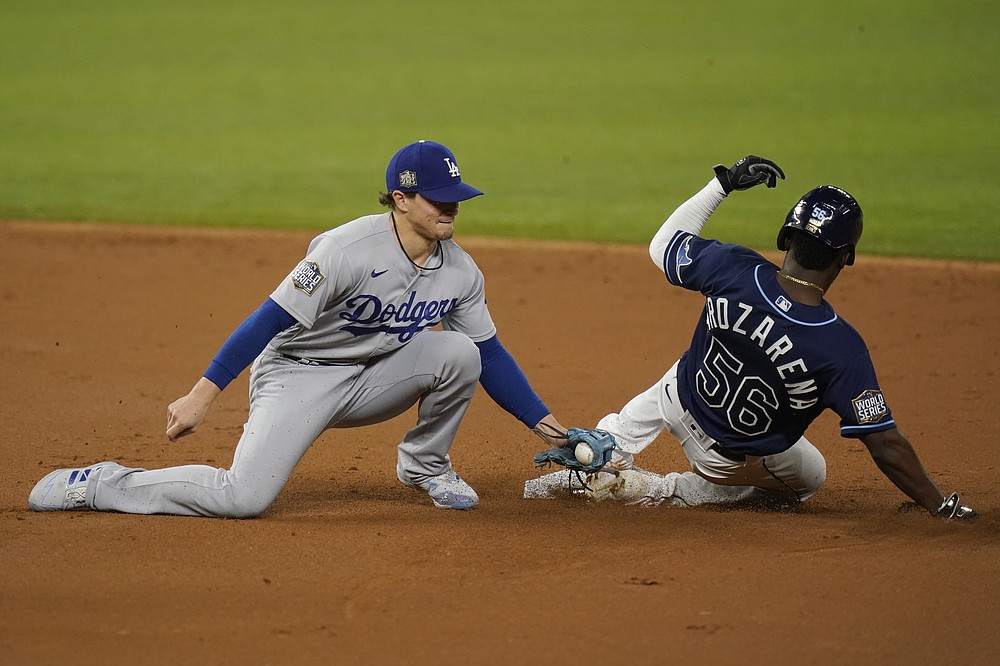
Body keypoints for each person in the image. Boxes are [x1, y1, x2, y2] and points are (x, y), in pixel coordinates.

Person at [30, 139, 569, 516]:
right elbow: (268, 319)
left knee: (459, 352)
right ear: (400, 201)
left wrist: (553, 431)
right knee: (242, 498)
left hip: (373, 378)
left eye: (455, 196)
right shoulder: (344, 251)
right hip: (297, 375)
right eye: (436, 198)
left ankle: (425, 466)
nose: (451, 207)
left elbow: (490, 355)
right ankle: (102, 484)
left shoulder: (461, 271)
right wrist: (202, 394)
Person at [526, 155, 976, 521]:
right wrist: (941, 505)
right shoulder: (840, 347)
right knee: (810, 477)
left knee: (688, 368)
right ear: (847, 257)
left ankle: (606, 444)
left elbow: (663, 244)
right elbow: (885, 444)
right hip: (722, 462)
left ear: (786, 237)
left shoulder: (736, 269)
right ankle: (662, 490)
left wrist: (721, 184)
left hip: (676, 397)